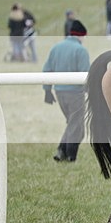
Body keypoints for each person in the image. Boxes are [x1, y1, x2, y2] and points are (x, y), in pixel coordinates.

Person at [42, 19, 90, 162]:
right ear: (81, 35)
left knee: (72, 122)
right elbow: (85, 74)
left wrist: (47, 90)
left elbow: (46, 69)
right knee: (77, 126)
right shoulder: (81, 50)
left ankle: (61, 151)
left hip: (59, 91)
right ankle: (70, 155)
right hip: (74, 93)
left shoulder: (56, 48)